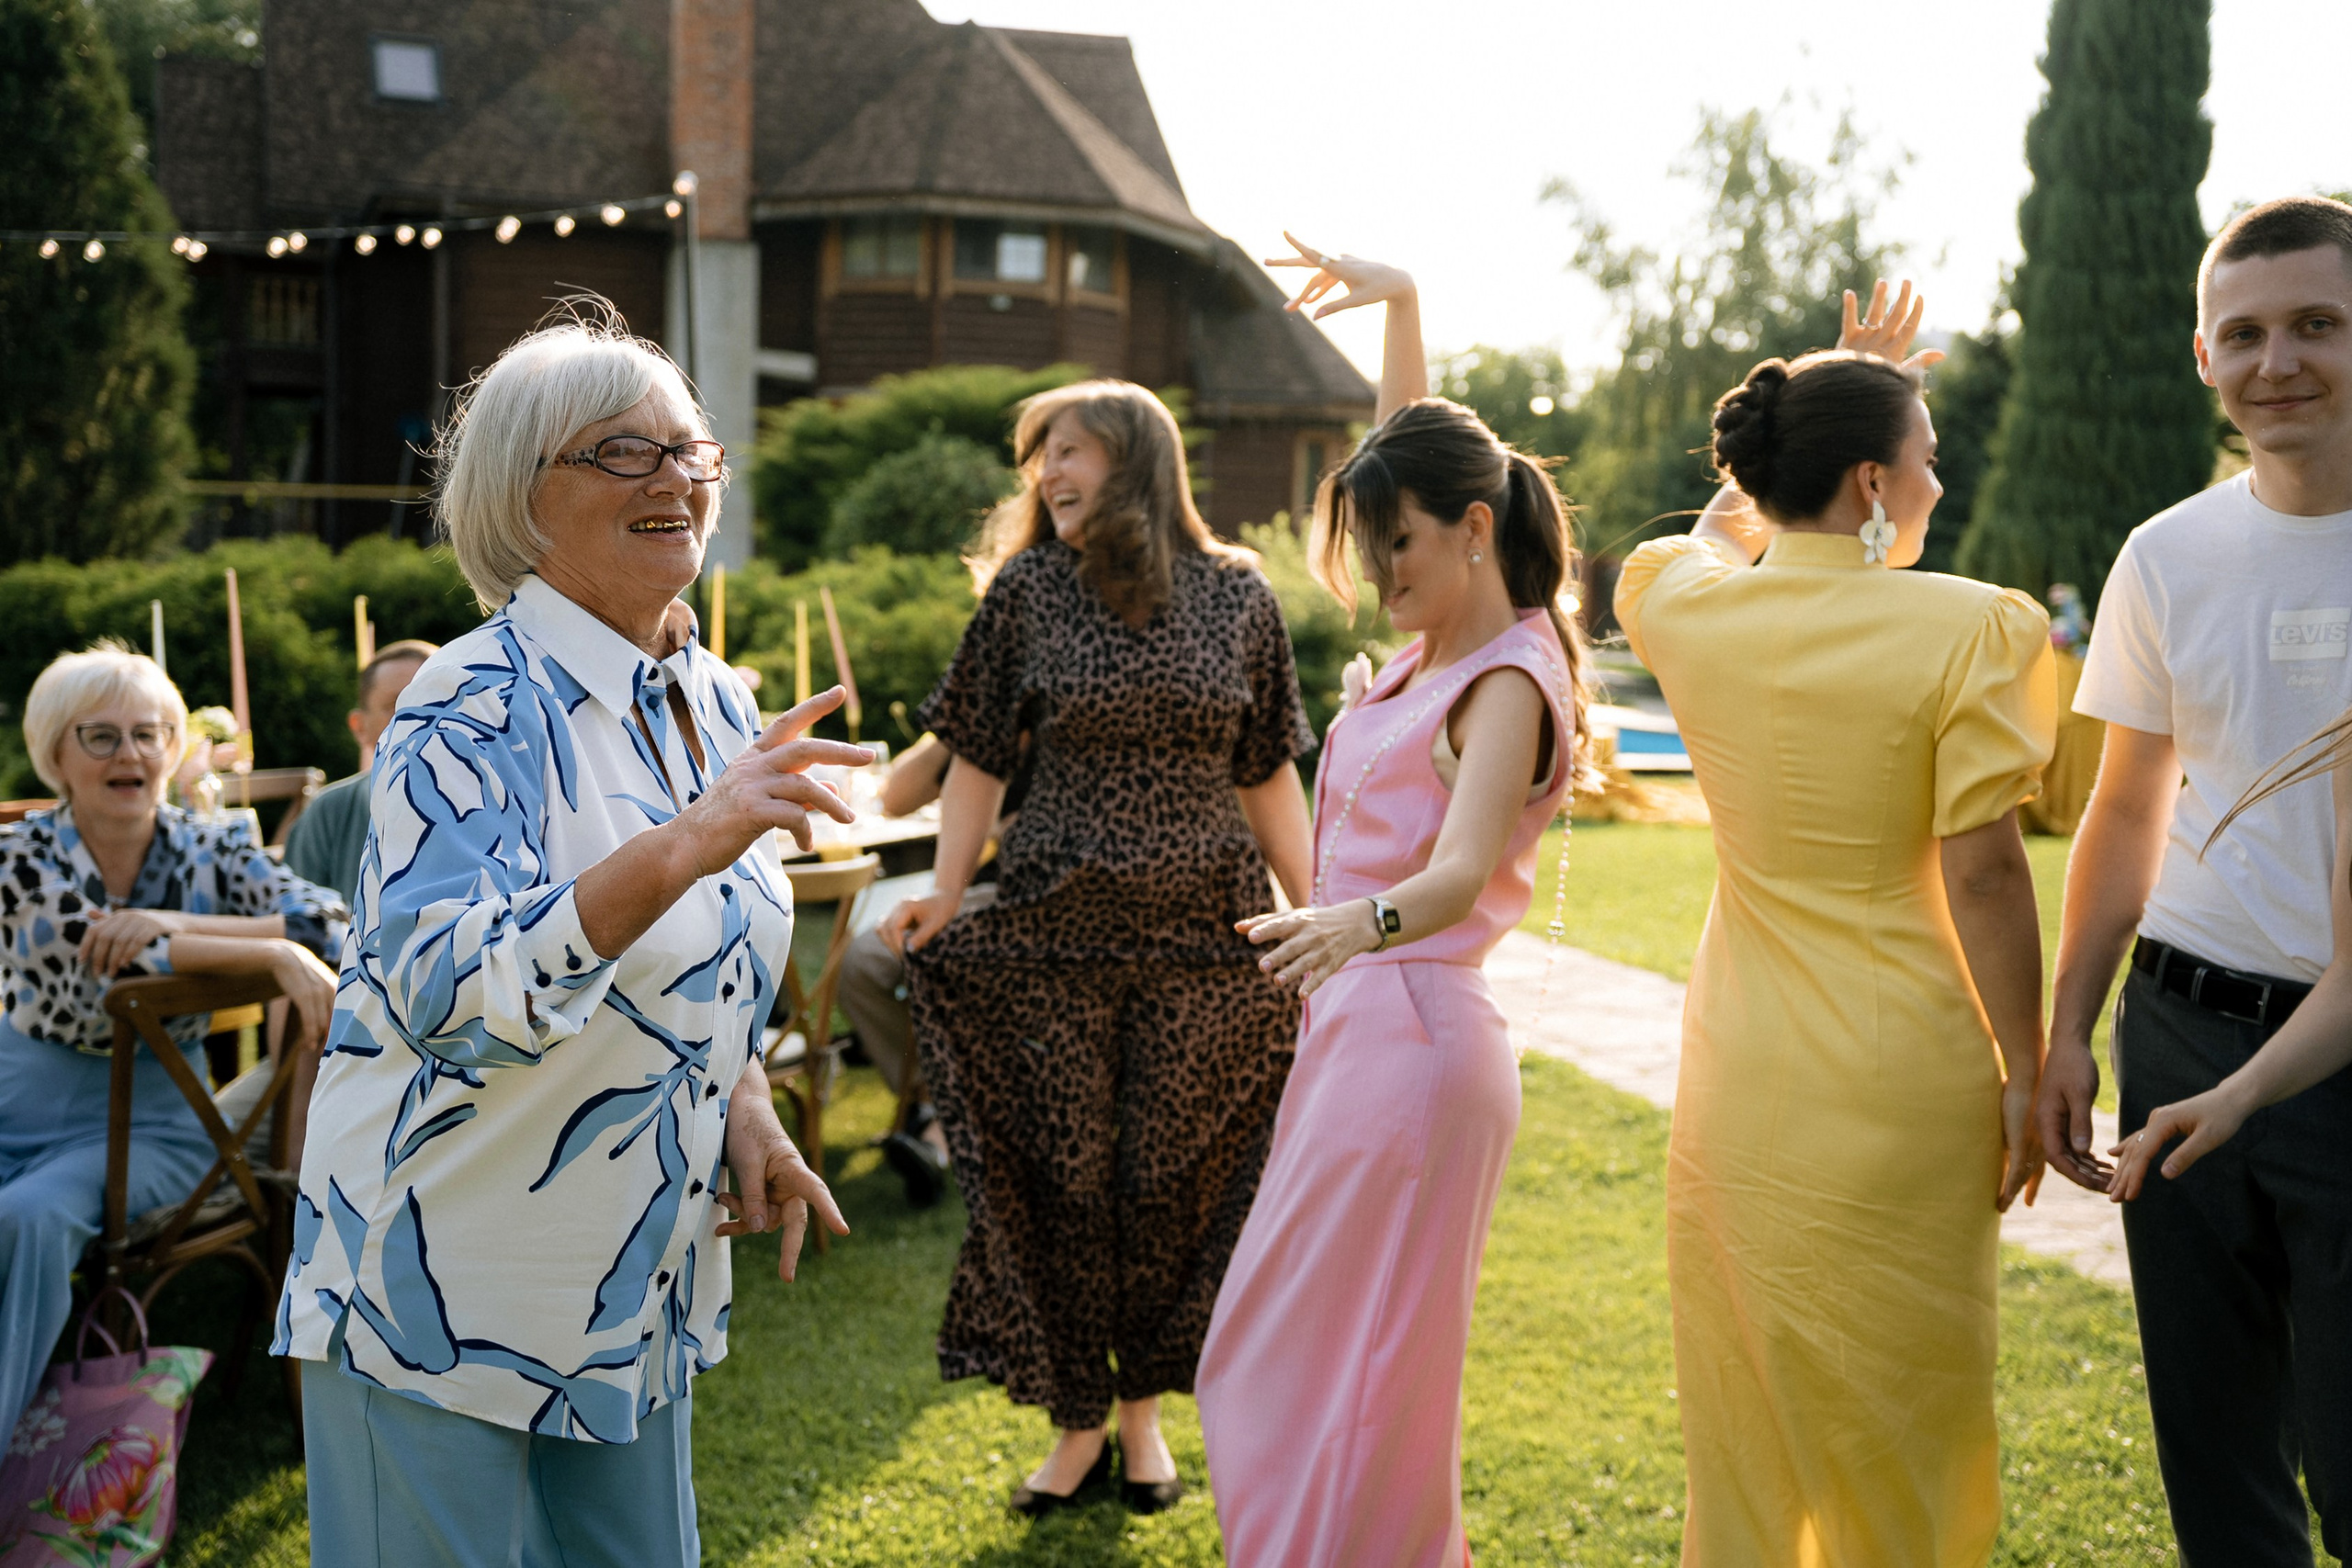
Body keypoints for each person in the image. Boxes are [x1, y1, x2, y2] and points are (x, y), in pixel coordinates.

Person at [274, 310, 870, 1567]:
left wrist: (748, 1107)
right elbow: (442, 990)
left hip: (625, 1288)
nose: (672, 474)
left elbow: (706, 963)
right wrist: (679, 845)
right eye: (618, 451)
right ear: (520, 498)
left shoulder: (712, 695)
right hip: (439, 1280)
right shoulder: (465, 698)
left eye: (687, 447)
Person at [1613, 287, 2056, 1562]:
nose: (1939, 472)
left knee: (1746, 1408)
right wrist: (2026, 1065)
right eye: (1923, 452)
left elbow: (1713, 527)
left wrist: (1836, 391)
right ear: (1872, 482)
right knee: (1899, 1418)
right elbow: (1982, 877)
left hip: (1741, 1063)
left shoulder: (1681, 601)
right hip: (1896, 1071)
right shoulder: (1975, 625)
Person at [1193, 237, 1589, 1568]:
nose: (1377, 569)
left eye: (1398, 543)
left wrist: (1342, 924)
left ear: (1474, 530)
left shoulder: (1510, 680)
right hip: (1365, 1035)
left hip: (1415, 1037)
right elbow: (1407, 451)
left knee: (1351, 1375)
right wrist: (1404, 303)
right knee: (1285, 1353)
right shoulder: (1439, 641)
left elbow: (1463, 870)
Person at [880, 378, 1315, 1516]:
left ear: (1135, 463)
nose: (1045, 477)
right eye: (1037, 459)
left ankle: (1142, 1425)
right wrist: (941, 890)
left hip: (1203, 943)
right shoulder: (1027, 590)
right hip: (1052, 938)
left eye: (1064, 450)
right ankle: (1077, 1427)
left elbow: (1266, 763)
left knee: (1169, 1188)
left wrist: (1320, 915)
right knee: (1066, 1185)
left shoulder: (1237, 596)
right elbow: (974, 753)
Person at [2036, 195, 2352, 1562]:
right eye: (2247, 333)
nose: (2278, 361)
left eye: (2318, 325)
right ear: (2203, 358)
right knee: (2220, 1481)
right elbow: (2121, 807)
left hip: (2338, 1064)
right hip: (2173, 1031)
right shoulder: (2166, 555)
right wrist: (2062, 1031)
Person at [0, 644, 343, 1437]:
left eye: (152, 733)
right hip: (18, 1101)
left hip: (154, 1125)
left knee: (25, 1219)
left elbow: (327, 922)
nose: (133, 754)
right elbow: (95, 949)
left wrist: (183, 921)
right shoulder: (18, 859)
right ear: (56, 751)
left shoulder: (212, 846)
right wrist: (264, 949)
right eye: (103, 736)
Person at [835, 731, 1028, 1208]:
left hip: (1040, 901)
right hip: (969, 895)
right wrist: (955, 727)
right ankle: (936, 1110)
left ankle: (943, 1130)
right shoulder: (980, 719)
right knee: (861, 963)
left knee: (951, 963)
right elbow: (896, 797)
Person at [283, 637, 439, 905]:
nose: (422, 716)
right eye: (398, 705)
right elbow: (299, 919)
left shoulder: (500, 800)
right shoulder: (330, 814)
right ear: (359, 727)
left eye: (437, 700)